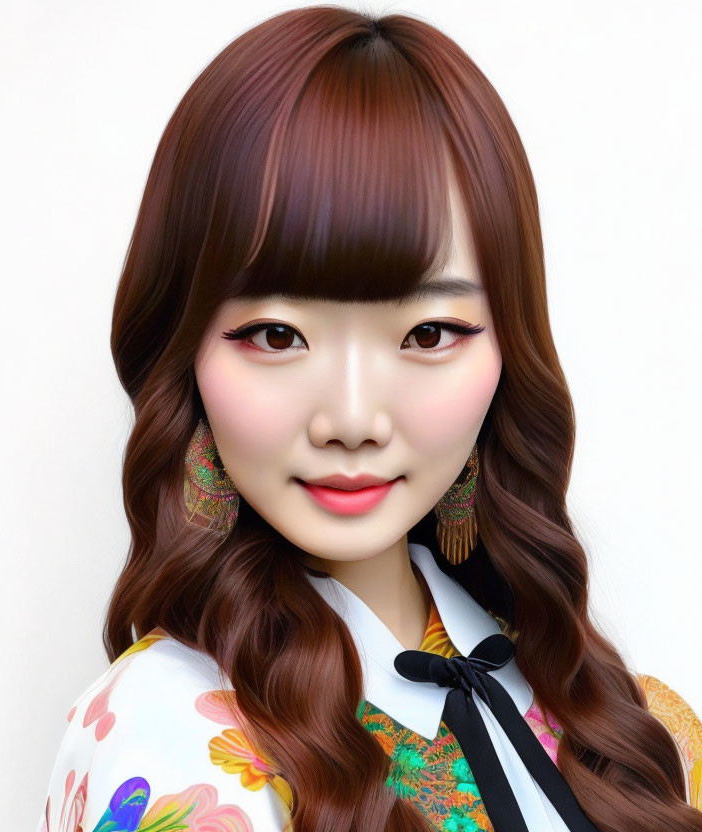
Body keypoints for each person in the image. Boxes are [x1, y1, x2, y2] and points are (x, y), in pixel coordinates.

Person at [37, 6, 702, 832]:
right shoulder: (167, 732)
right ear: (185, 356)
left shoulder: (628, 720)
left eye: (428, 334)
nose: (352, 418)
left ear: (507, 354)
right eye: (276, 335)